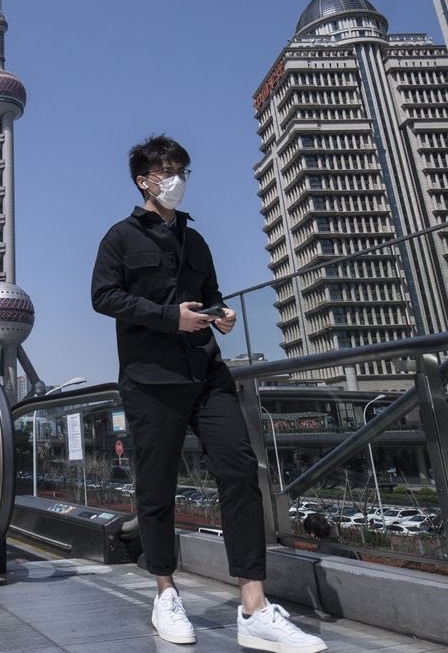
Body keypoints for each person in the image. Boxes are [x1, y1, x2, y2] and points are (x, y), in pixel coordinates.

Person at [91, 135, 326, 652]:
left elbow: (211, 292)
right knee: (157, 486)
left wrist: (221, 314)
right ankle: (165, 591)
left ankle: (254, 607)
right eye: (167, 172)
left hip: (207, 372)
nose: (177, 180)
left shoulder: (195, 240)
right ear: (143, 181)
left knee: (240, 470)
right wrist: (167, 317)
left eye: (182, 171)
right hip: (151, 378)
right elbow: (103, 297)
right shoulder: (119, 237)